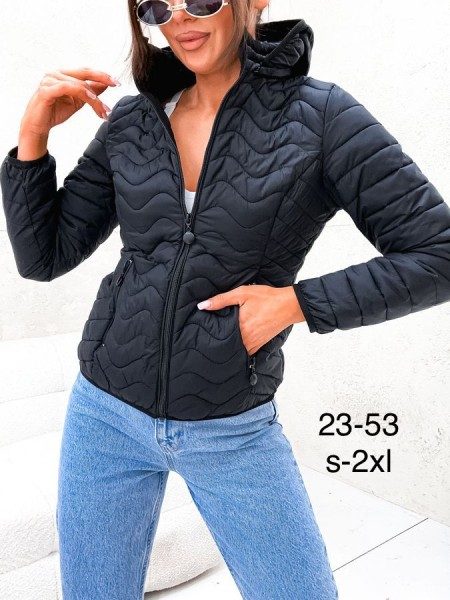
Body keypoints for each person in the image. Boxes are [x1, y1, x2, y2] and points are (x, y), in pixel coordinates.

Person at [1, 0, 449, 598]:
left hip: (230, 427)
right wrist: (33, 137)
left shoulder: (322, 118)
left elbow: (436, 252)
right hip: (103, 413)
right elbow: (43, 258)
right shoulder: (134, 120)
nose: (180, 19)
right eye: (157, 6)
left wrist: (295, 304)